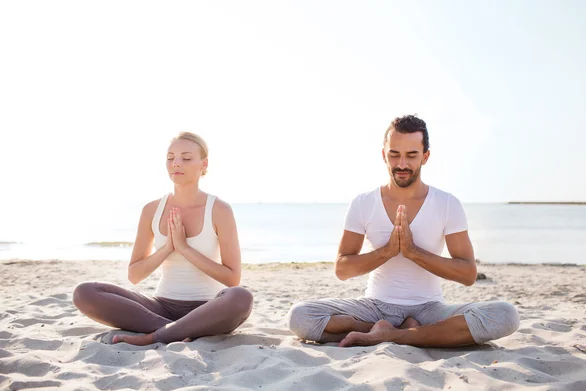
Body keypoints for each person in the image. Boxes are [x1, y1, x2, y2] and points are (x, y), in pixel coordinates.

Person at [287, 115, 519, 348]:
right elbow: (342, 269)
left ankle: (387, 335)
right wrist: (387, 251)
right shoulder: (363, 203)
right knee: (300, 316)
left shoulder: (447, 203)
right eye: (394, 154)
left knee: (506, 314)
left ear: (425, 156)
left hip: (430, 308)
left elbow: (468, 274)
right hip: (374, 307)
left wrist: (413, 252)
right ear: (383, 155)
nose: (402, 164)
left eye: (411, 155)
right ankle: (398, 332)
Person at [73, 132, 253, 346]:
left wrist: (185, 248)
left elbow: (232, 279)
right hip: (159, 307)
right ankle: (174, 330)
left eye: (186, 158)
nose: (176, 163)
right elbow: (135, 275)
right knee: (85, 292)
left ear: (204, 165)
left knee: (241, 297)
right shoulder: (152, 210)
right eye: (170, 158)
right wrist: (168, 248)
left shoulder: (219, 210)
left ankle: (158, 335)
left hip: (209, 309)